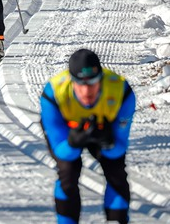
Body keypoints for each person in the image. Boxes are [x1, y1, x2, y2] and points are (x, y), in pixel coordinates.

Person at [40, 49, 136, 224]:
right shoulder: (53, 93)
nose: (86, 90)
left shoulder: (121, 91)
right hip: (68, 133)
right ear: (71, 80)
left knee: (116, 172)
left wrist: (109, 142)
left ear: (101, 78)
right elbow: (61, 152)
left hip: (104, 129)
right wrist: (73, 143)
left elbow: (119, 149)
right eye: (80, 83)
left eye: (92, 82)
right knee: (68, 172)